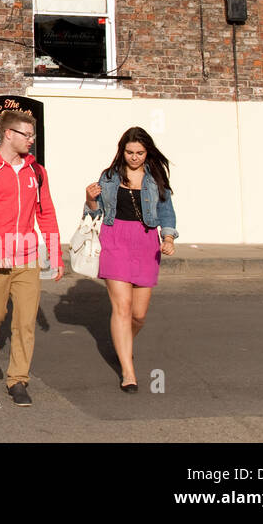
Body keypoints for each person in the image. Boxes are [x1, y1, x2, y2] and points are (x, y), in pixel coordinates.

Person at [0, 109, 63, 407]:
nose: (31, 140)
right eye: (27, 135)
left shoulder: (37, 172)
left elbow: (46, 214)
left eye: (33, 135)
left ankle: (18, 380)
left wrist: (56, 255)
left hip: (27, 258)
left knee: (25, 322)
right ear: (8, 134)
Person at [84, 126, 178, 393]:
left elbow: (166, 212)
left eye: (139, 152)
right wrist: (90, 200)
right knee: (122, 309)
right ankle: (128, 371)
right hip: (115, 240)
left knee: (138, 315)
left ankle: (122, 343)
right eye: (129, 152)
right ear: (121, 151)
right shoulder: (109, 176)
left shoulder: (155, 178)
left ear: (147, 152)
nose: (134, 157)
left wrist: (168, 239)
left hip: (147, 243)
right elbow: (94, 214)